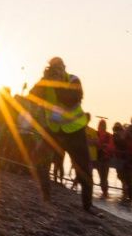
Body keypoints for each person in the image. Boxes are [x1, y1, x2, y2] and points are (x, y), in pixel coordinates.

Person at [33, 59, 92, 211]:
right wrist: (44, 81)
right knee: (39, 159)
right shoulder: (46, 81)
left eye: (59, 68)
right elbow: (32, 96)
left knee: (84, 168)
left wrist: (58, 83)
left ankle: (87, 206)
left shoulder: (73, 79)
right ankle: (45, 196)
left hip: (75, 131)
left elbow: (73, 100)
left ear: (64, 68)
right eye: (53, 68)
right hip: (54, 129)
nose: (56, 70)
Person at [92, 117, 113, 195]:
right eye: (101, 124)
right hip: (97, 158)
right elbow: (94, 143)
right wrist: (100, 145)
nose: (102, 126)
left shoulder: (109, 135)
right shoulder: (95, 133)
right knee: (102, 177)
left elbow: (111, 146)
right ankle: (104, 192)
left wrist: (105, 146)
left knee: (104, 178)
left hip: (106, 158)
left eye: (103, 124)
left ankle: (105, 192)